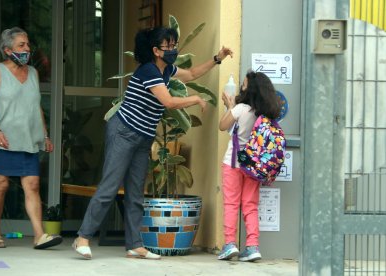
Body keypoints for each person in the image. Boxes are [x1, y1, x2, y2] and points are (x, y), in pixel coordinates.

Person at [72, 27, 233, 260]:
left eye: (174, 44)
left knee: (136, 191)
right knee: (109, 186)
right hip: (124, 131)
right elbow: (168, 101)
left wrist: (218, 58)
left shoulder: (166, 70)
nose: (174, 49)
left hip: (142, 136)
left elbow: (192, 74)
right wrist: (195, 98)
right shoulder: (149, 71)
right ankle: (82, 237)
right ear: (156, 50)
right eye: (169, 46)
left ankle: (134, 245)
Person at [0, 27, 62, 249]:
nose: (27, 49)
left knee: (32, 185)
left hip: (27, 138)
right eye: (21, 45)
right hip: (2, 138)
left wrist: (44, 135)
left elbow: (36, 107)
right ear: (7, 49)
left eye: (28, 45)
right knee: (1, 185)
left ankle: (39, 235)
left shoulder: (32, 72)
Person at [218, 71, 281, 262]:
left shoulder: (241, 109)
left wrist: (230, 107)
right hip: (254, 167)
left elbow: (222, 125)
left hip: (233, 164)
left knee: (231, 204)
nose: (240, 87)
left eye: (243, 84)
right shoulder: (265, 114)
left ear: (249, 89)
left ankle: (230, 244)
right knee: (250, 205)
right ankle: (252, 246)